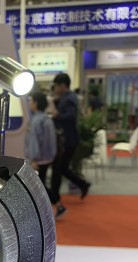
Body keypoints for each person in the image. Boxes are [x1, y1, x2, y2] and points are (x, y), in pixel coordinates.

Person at [49, 73, 91, 205]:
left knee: (58, 168)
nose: (55, 88)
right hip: (65, 139)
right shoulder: (66, 97)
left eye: (56, 86)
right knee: (61, 168)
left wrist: (56, 116)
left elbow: (71, 116)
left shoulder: (70, 98)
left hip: (68, 140)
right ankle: (82, 184)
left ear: (62, 85)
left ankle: (55, 197)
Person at [25, 92, 62, 218]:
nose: (29, 103)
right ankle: (50, 208)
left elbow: (34, 141)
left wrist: (34, 159)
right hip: (47, 157)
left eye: (31, 101)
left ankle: (57, 205)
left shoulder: (36, 121)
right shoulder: (47, 119)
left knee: (39, 186)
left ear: (35, 103)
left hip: (39, 159)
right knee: (40, 185)